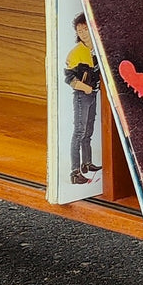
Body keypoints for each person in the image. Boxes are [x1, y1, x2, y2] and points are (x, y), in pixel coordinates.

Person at [63, 13, 101, 184]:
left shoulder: (98, 49)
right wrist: (85, 88)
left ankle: (87, 163)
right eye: (80, 30)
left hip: (93, 94)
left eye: (86, 29)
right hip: (82, 95)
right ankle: (74, 171)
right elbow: (69, 78)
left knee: (89, 131)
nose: (83, 33)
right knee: (79, 132)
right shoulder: (77, 53)